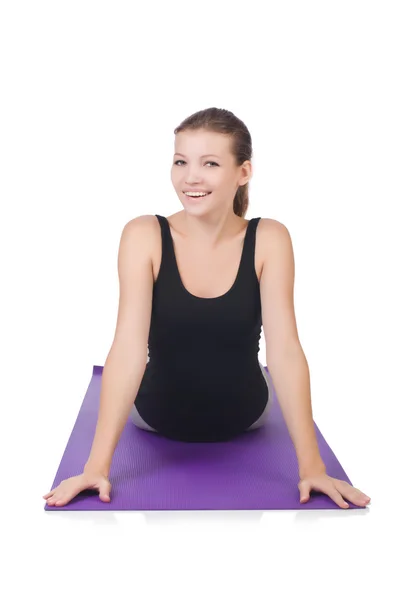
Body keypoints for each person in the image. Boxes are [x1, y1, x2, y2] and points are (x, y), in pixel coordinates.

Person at [43, 107, 371, 509]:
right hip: (156, 415)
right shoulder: (144, 234)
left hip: (247, 414)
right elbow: (129, 347)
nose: (190, 177)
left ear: (243, 172)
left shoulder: (269, 238)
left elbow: (284, 350)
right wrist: (96, 466)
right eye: (181, 161)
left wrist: (312, 468)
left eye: (210, 163)